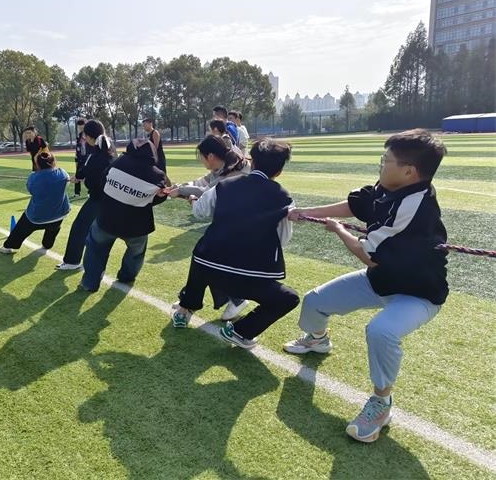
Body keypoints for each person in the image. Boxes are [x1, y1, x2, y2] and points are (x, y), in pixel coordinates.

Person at [283, 129, 449, 444]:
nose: (381, 165)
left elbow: (368, 256)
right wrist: (307, 214)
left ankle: (381, 403)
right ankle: (318, 339)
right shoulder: (391, 187)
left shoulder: (415, 207)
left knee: (381, 331)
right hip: (381, 281)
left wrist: (339, 231)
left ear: (409, 171)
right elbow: (357, 204)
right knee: (314, 301)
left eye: (386, 160)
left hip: (418, 294)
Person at [171, 139, 299, 348]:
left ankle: (185, 309)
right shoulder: (284, 198)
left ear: (252, 162)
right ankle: (241, 331)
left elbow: (200, 211)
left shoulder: (225, 185)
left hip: (209, 267)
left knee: (204, 253)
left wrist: (193, 199)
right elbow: (283, 239)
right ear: (279, 171)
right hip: (248, 278)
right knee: (289, 298)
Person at [167, 134, 251, 320]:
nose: (201, 160)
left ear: (211, 156)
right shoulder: (225, 165)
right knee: (204, 260)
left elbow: (208, 192)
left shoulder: (234, 172)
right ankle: (190, 301)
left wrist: (182, 192)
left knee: (205, 259)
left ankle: (233, 299)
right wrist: (181, 187)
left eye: (201, 157)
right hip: (230, 225)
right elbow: (203, 182)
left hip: (241, 228)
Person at [80, 139, 168, 292]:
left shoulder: (118, 163)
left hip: (107, 218)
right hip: (137, 225)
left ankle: (89, 282)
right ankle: (126, 277)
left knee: (95, 249)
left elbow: (103, 183)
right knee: (135, 253)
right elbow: (160, 197)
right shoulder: (158, 175)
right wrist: (138, 199)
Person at [56, 120, 116, 270]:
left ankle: (72, 261)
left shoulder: (98, 153)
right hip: (109, 198)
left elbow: (89, 169)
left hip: (99, 198)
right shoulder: (109, 146)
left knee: (80, 227)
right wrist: (81, 176)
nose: (84, 138)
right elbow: (90, 169)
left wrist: (79, 177)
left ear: (89, 136)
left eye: (85, 135)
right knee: (95, 230)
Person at [0, 152, 70, 254]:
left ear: (37, 164)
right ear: (53, 161)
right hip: (60, 213)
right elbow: (65, 185)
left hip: (37, 216)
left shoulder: (34, 177)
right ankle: (47, 244)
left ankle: (8, 246)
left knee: (20, 229)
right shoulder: (62, 173)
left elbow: (31, 190)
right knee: (53, 228)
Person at [142, 118, 168, 183]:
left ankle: (170, 187)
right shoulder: (148, 135)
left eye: (145, 125)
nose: (144, 127)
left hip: (159, 158)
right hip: (153, 158)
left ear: (150, 124)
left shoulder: (155, 133)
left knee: (163, 175)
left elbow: (155, 147)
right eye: (143, 125)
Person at [74, 119, 89, 197]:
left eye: (82, 127)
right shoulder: (79, 136)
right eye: (79, 127)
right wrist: (76, 158)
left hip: (88, 157)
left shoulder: (90, 135)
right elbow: (77, 148)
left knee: (89, 175)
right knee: (77, 174)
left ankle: (90, 192)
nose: (80, 129)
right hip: (80, 158)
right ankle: (77, 192)